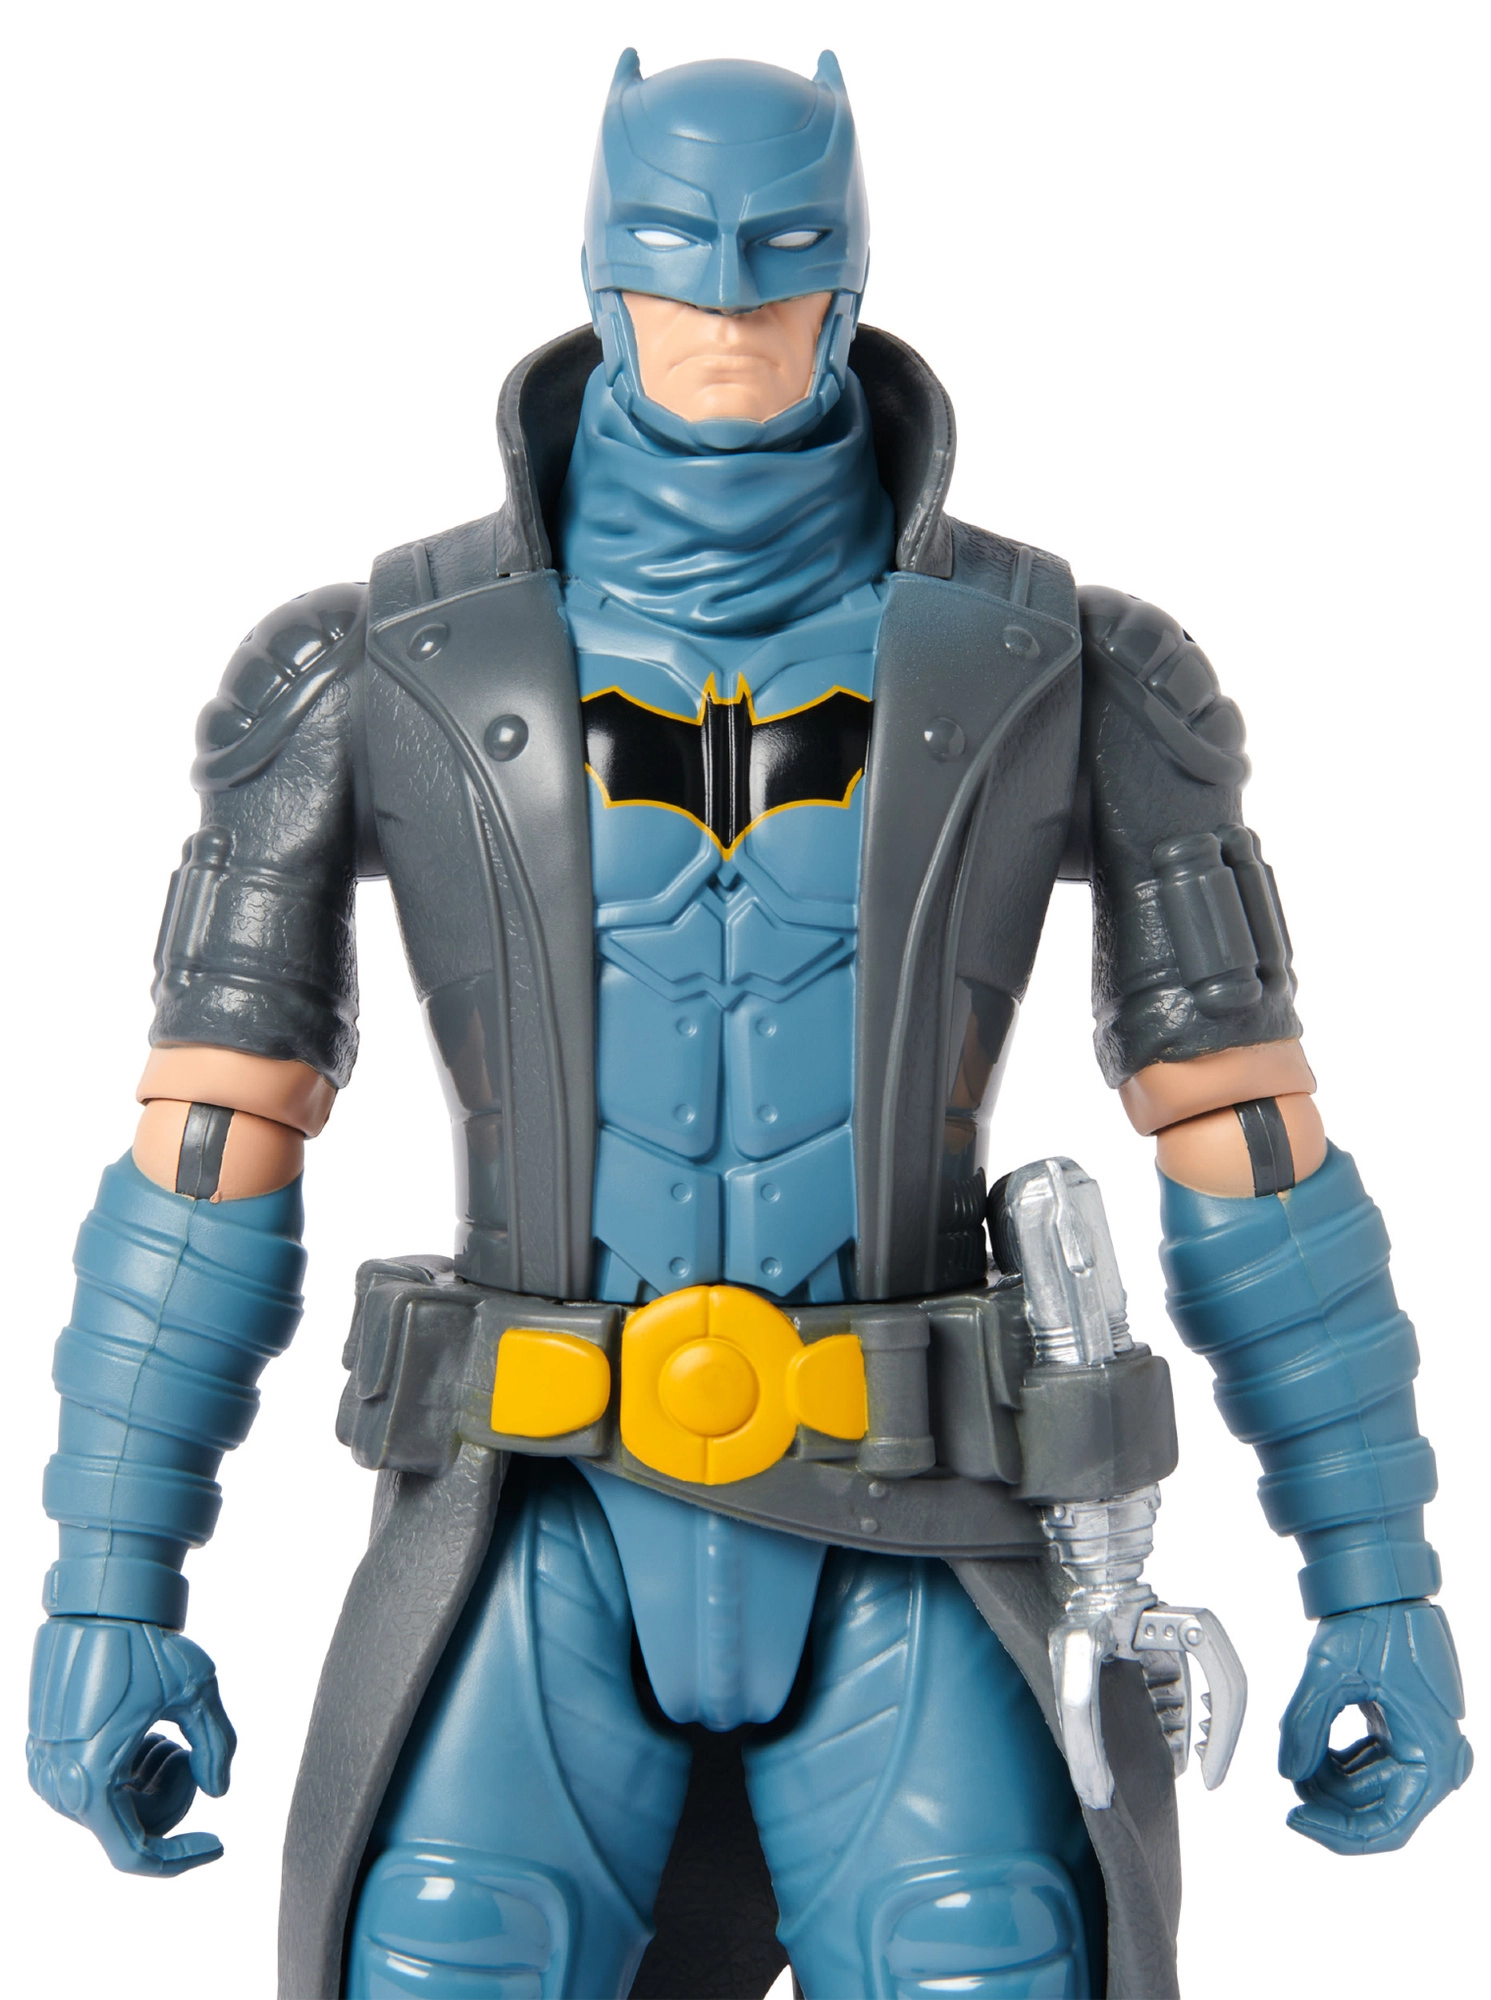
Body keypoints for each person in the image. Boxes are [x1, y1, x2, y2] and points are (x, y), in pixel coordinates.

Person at [27, 51, 1469, 2000]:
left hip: (915, 1515)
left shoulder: (1068, 667)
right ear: (596, 271)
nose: (723, 298)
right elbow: (209, 1146)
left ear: (848, 279)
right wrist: (109, 1582)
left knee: (988, 1954)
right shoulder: (368, 671)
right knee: (448, 1952)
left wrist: (1375, 1574)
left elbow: (1250, 1147)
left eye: (778, 249)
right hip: (538, 1519)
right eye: (670, 250)